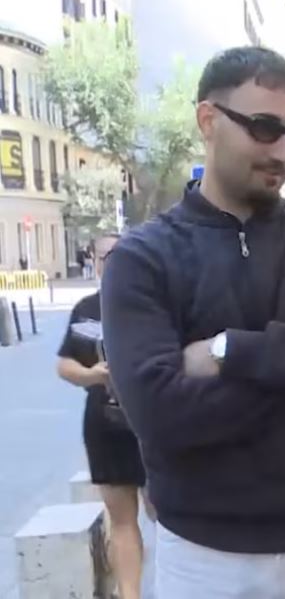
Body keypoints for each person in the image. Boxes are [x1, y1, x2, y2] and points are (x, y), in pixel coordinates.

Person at [100, 46, 285, 599]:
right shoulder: (142, 259)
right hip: (204, 560)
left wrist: (230, 352)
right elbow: (161, 416)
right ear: (208, 121)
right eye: (265, 128)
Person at [56, 232, 152, 599]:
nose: (111, 262)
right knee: (122, 520)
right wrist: (92, 375)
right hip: (105, 425)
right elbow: (64, 364)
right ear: (94, 262)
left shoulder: (154, 303)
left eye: (119, 254)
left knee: (164, 513)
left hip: (151, 424)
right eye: (104, 256)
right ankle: (130, 595)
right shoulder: (85, 308)